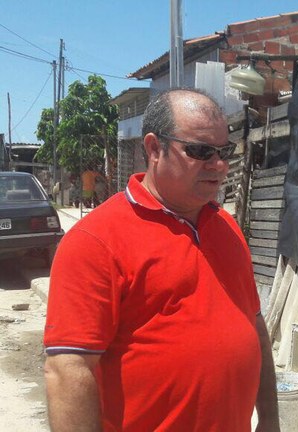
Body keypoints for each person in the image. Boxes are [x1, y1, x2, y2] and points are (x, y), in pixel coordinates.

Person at [43, 88, 279, 431]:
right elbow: (68, 369)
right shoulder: (95, 241)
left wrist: (269, 420)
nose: (219, 165)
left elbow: (254, 328)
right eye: (200, 151)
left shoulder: (227, 227)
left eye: (224, 151)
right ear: (154, 148)